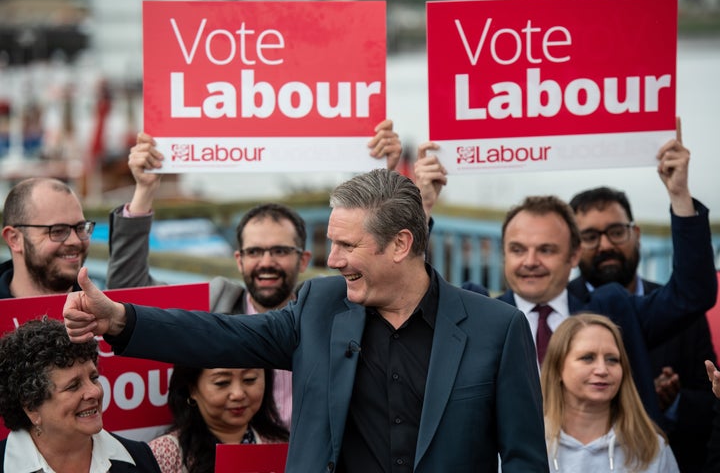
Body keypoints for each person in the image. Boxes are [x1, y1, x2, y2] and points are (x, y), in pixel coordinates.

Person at [64, 168, 549, 472]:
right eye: (330, 242)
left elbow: (526, 460)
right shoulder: (320, 306)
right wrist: (120, 319)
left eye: (347, 246)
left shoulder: (497, 328)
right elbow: (220, 336)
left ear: (401, 244)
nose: (331, 260)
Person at [105, 119, 403, 427]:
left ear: (304, 260)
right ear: (238, 260)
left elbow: (395, 279)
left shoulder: (336, 309)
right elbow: (127, 291)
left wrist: (385, 178)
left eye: (279, 251)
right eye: (255, 252)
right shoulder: (215, 304)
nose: (266, 262)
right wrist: (144, 190)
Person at [414, 133, 717, 428]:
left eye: (546, 249)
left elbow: (692, 293)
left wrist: (679, 194)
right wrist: (422, 207)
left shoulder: (612, 310)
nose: (530, 261)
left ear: (574, 255)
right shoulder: (476, 313)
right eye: (518, 249)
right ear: (504, 254)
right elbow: (408, 296)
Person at [568, 186, 717, 472]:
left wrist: (672, 404)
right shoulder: (560, 311)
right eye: (589, 236)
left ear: (635, 234)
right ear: (574, 247)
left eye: (616, 231)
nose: (605, 245)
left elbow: (712, 403)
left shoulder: (682, 309)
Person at [0, 317, 161, 473]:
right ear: (31, 406)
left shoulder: (139, 458)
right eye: (73, 386)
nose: (95, 391)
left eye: (94, 378)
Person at [541, 313, 679, 472]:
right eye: (588, 358)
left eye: (612, 359)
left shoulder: (652, 447)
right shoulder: (526, 442)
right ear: (558, 368)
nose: (602, 370)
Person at [149, 365, 288, 473]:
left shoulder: (285, 446)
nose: (238, 394)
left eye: (249, 379)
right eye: (222, 382)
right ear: (192, 389)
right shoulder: (164, 454)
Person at [1, 177, 95, 298]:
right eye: (58, 231)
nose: (75, 241)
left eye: (81, 228)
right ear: (14, 239)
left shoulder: (103, 310)